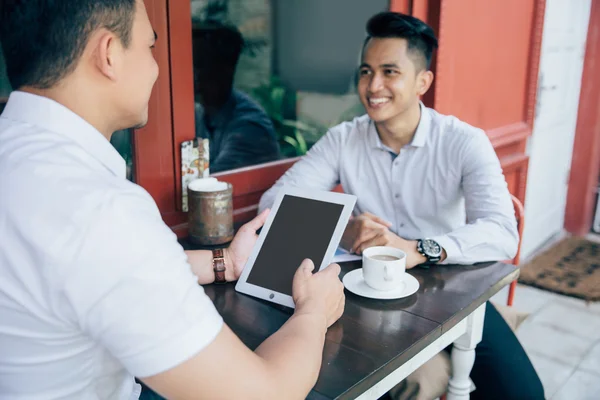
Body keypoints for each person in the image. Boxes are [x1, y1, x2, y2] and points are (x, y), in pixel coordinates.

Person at [0, 1, 344, 399]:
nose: (157, 67)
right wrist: (314, 311)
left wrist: (226, 262)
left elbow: (86, 267)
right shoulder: (100, 208)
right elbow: (264, 393)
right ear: (109, 54)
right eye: (150, 47)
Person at [259, 11, 545, 400]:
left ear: (422, 81)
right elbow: (274, 202)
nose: (373, 86)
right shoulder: (344, 138)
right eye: (365, 71)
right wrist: (342, 228)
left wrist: (417, 249)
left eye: (390, 71)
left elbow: (501, 232)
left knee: (524, 392)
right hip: (369, 292)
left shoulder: (463, 141)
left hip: (450, 288)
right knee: (362, 383)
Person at [192, 21, 281, 173]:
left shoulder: (250, 129)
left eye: (199, 65)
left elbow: (212, 187)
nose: (193, 74)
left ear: (226, 69)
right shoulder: (201, 114)